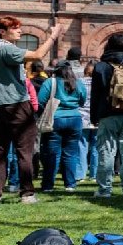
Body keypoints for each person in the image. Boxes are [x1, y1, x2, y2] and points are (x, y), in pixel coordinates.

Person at [0, 16, 63, 205]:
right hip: (16, 104)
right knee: (24, 150)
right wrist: (53, 36)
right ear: (2, 32)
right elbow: (37, 55)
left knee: (0, 149)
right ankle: (27, 193)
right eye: (15, 28)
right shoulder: (6, 49)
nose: (20, 31)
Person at [90, 35, 123, 198]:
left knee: (106, 151)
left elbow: (95, 94)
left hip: (107, 113)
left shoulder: (100, 67)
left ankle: (105, 189)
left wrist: (94, 116)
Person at [37, 62, 87, 192]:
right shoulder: (78, 83)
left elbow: (40, 100)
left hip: (55, 119)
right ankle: (70, 184)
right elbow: (82, 101)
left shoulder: (50, 82)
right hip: (75, 119)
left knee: (52, 154)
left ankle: (48, 185)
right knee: (71, 153)